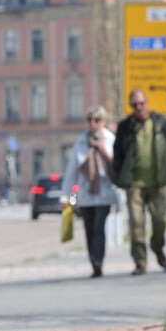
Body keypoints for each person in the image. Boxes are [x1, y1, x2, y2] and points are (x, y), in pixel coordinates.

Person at [112, 89, 166, 275]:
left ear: (147, 103)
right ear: (130, 106)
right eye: (135, 105)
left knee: (160, 220)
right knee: (136, 223)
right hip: (134, 183)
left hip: (159, 181)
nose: (139, 107)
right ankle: (140, 262)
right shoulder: (125, 127)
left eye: (141, 103)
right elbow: (117, 154)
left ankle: (157, 247)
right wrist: (119, 177)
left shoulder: (161, 124)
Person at [61, 105, 119, 278]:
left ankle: (99, 260)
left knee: (99, 228)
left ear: (103, 122)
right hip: (84, 195)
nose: (93, 123)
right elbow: (72, 175)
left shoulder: (110, 141)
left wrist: (101, 148)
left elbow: (116, 167)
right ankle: (93, 261)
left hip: (104, 194)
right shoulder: (81, 143)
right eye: (90, 120)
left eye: (97, 120)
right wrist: (69, 200)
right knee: (89, 230)